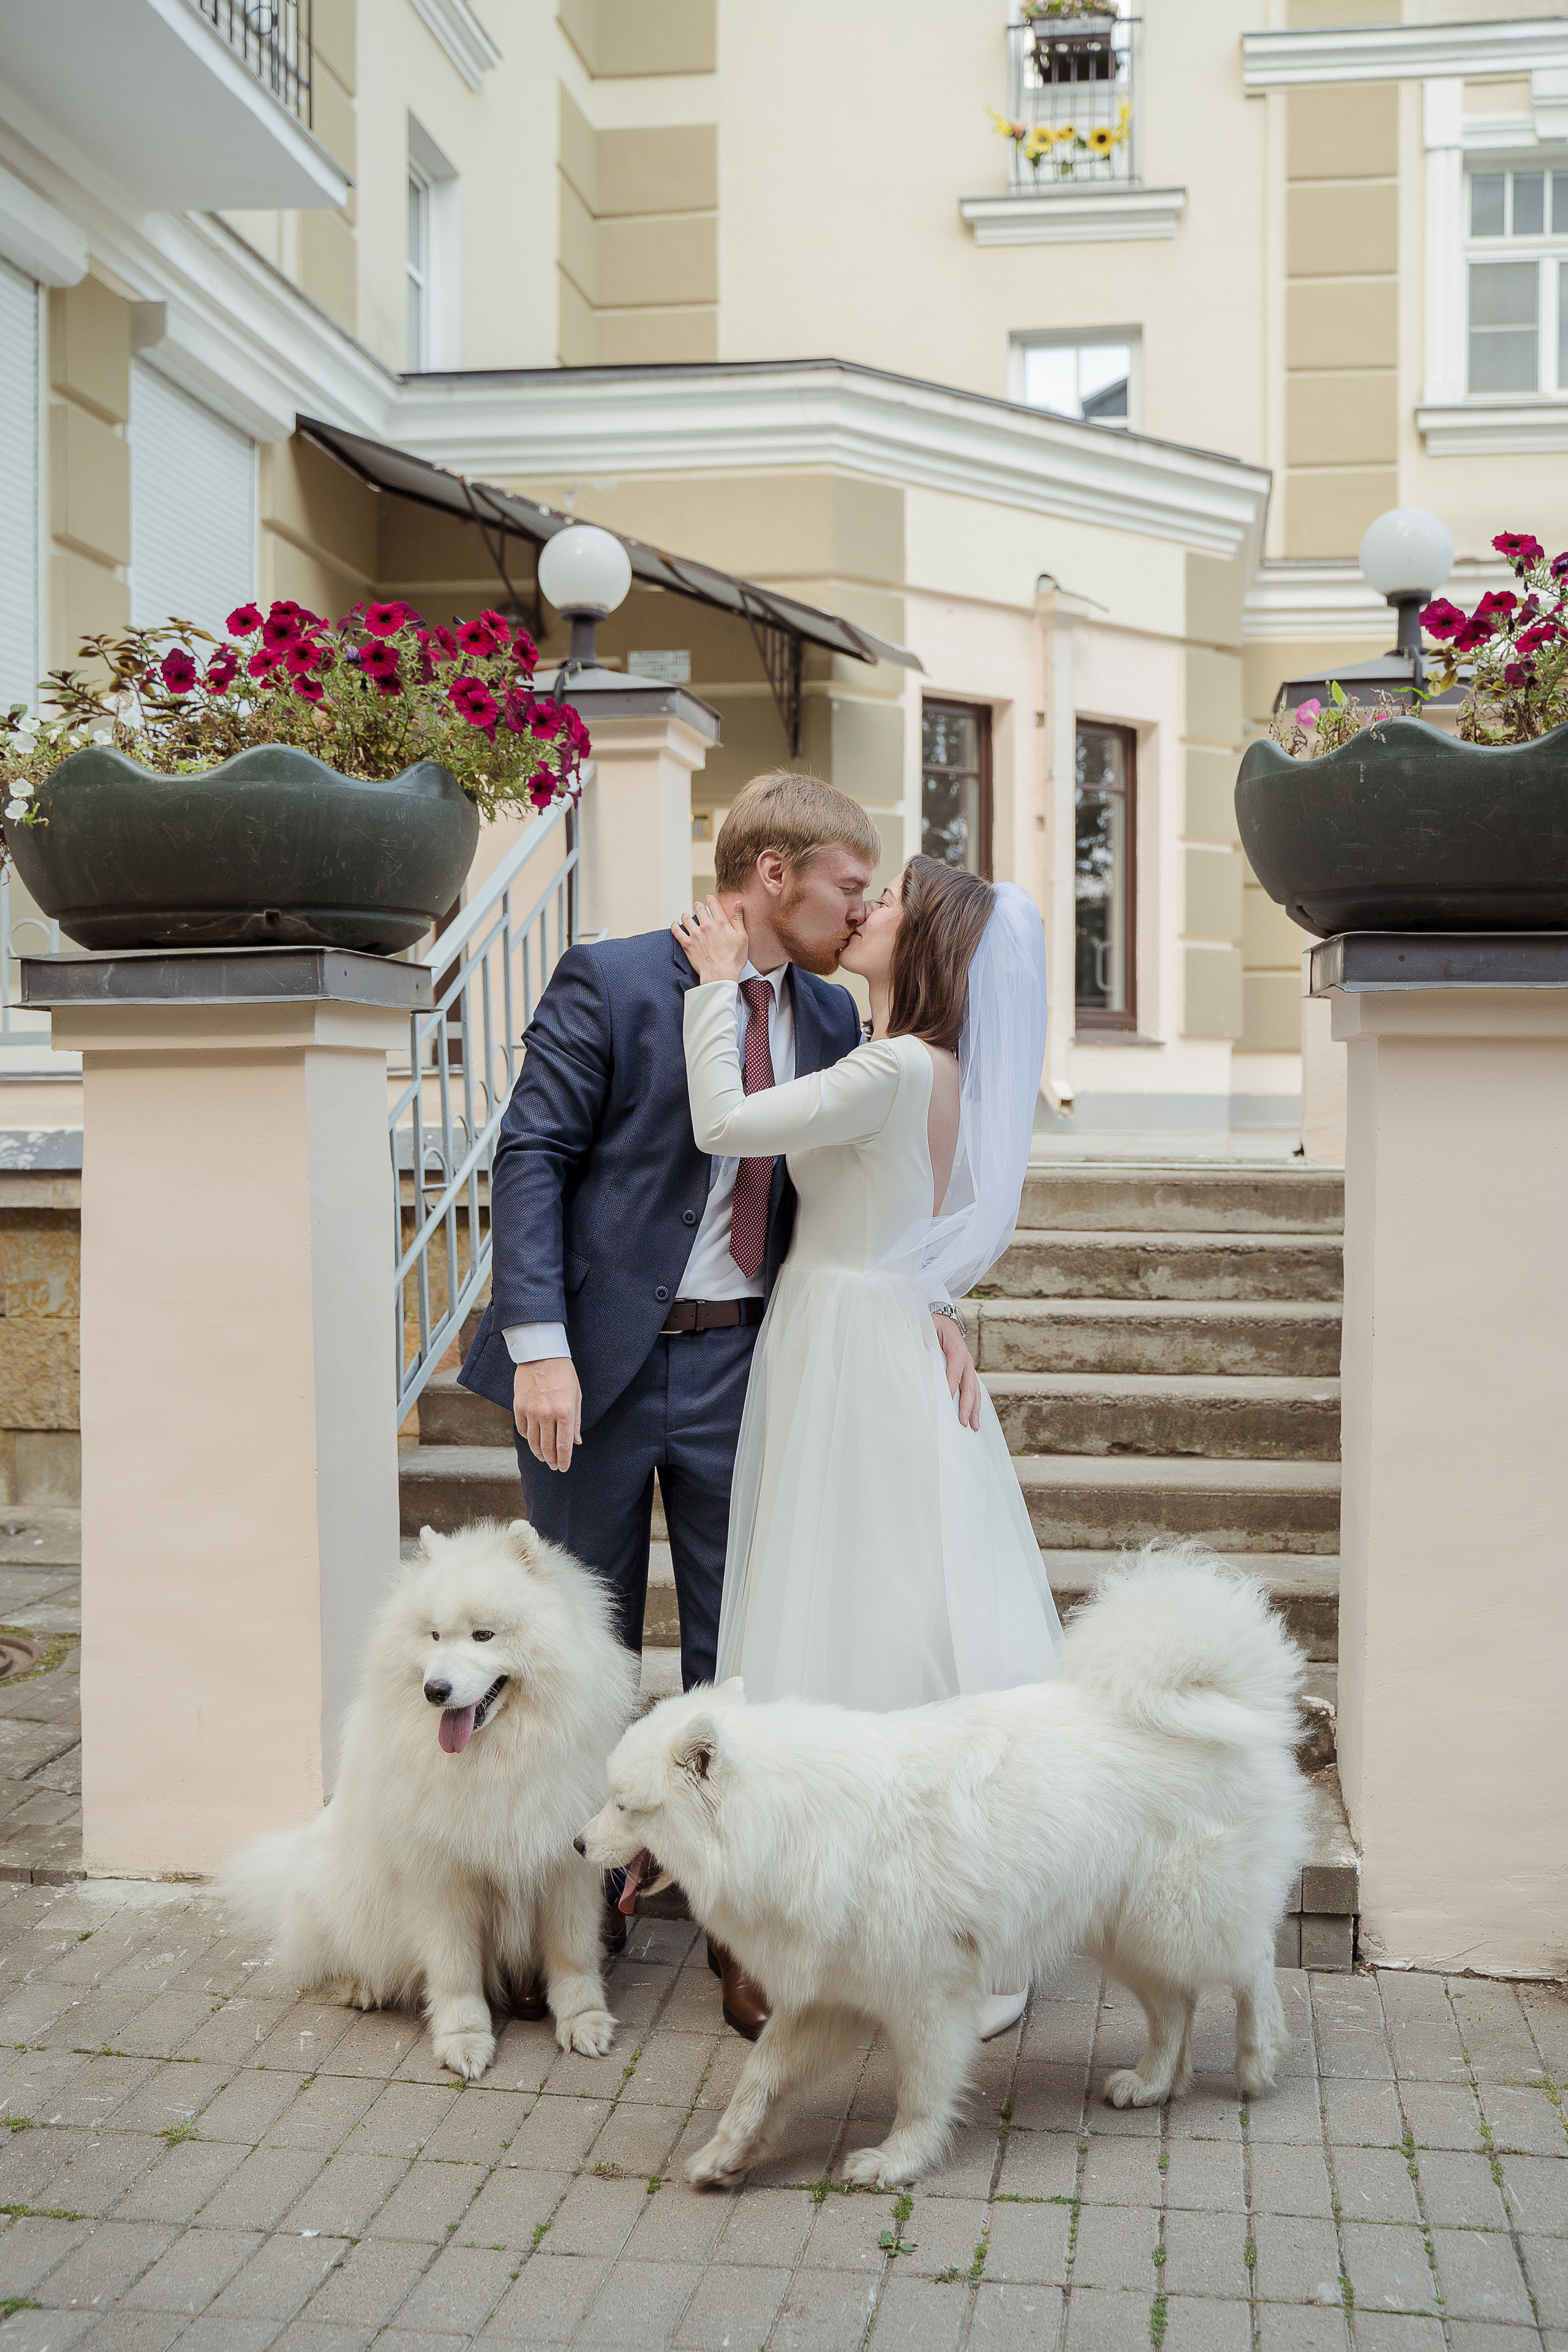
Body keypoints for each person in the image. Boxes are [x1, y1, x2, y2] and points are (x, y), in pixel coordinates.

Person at [458, 774, 982, 2037]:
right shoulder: (611, 977)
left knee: (738, 1656)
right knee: (570, 1651)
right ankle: (565, 1912)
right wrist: (540, 1348)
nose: (860, 908)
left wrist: (931, 1304)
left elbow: (873, 1182)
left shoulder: (838, 1014)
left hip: (752, 1365)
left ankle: (738, 1924)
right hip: (590, 1367)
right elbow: (531, 1156)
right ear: (773, 875)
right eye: (848, 884)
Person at [673, 856, 1063, 2041]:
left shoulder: (894, 1065)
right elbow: (917, 1223)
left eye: (886, 900)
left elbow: (724, 1124)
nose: (864, 910)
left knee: (855, 1607)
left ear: (926, 940)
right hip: (875, 1327)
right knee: (892, 1595)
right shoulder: (926, 1065)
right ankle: (902, 1916)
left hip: (846, 1338)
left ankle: (880, 1923)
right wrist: (936, 1306)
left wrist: (717, 987)